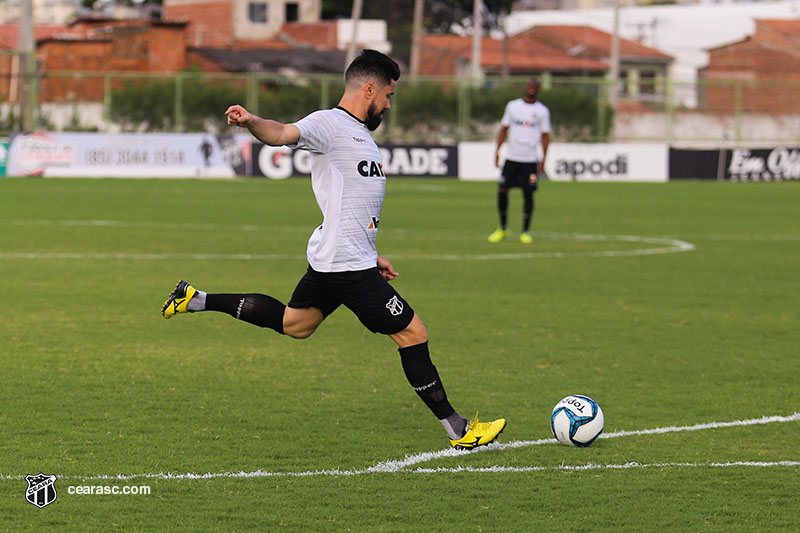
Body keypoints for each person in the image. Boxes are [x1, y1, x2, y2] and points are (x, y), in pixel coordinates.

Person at [161, 50, 506, 450]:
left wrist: (371, 251)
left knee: (297, 324)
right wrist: (252, 121)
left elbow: (352, 201)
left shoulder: (360, 136)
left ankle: (196, 299)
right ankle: (459, 430)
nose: (388, 106)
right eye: (388, 96)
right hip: (344, 263)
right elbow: (282, 133)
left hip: (343, 256)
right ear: (370, 88)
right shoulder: (329, 124)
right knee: (413, 333)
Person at [488, 78, 551, 244]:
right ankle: (502, 228)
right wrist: (497, 151)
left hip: (530, 160)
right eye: (529, 86)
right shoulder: (512, 106)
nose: (531, 89)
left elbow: (545, 136)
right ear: (525, 87)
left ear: (538, 89)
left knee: (528, 193)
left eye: (534, 86)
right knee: (502, 190)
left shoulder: (542, 111)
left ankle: (525, 231)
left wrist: (544, 158)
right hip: (511, 158)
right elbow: (504, 129)